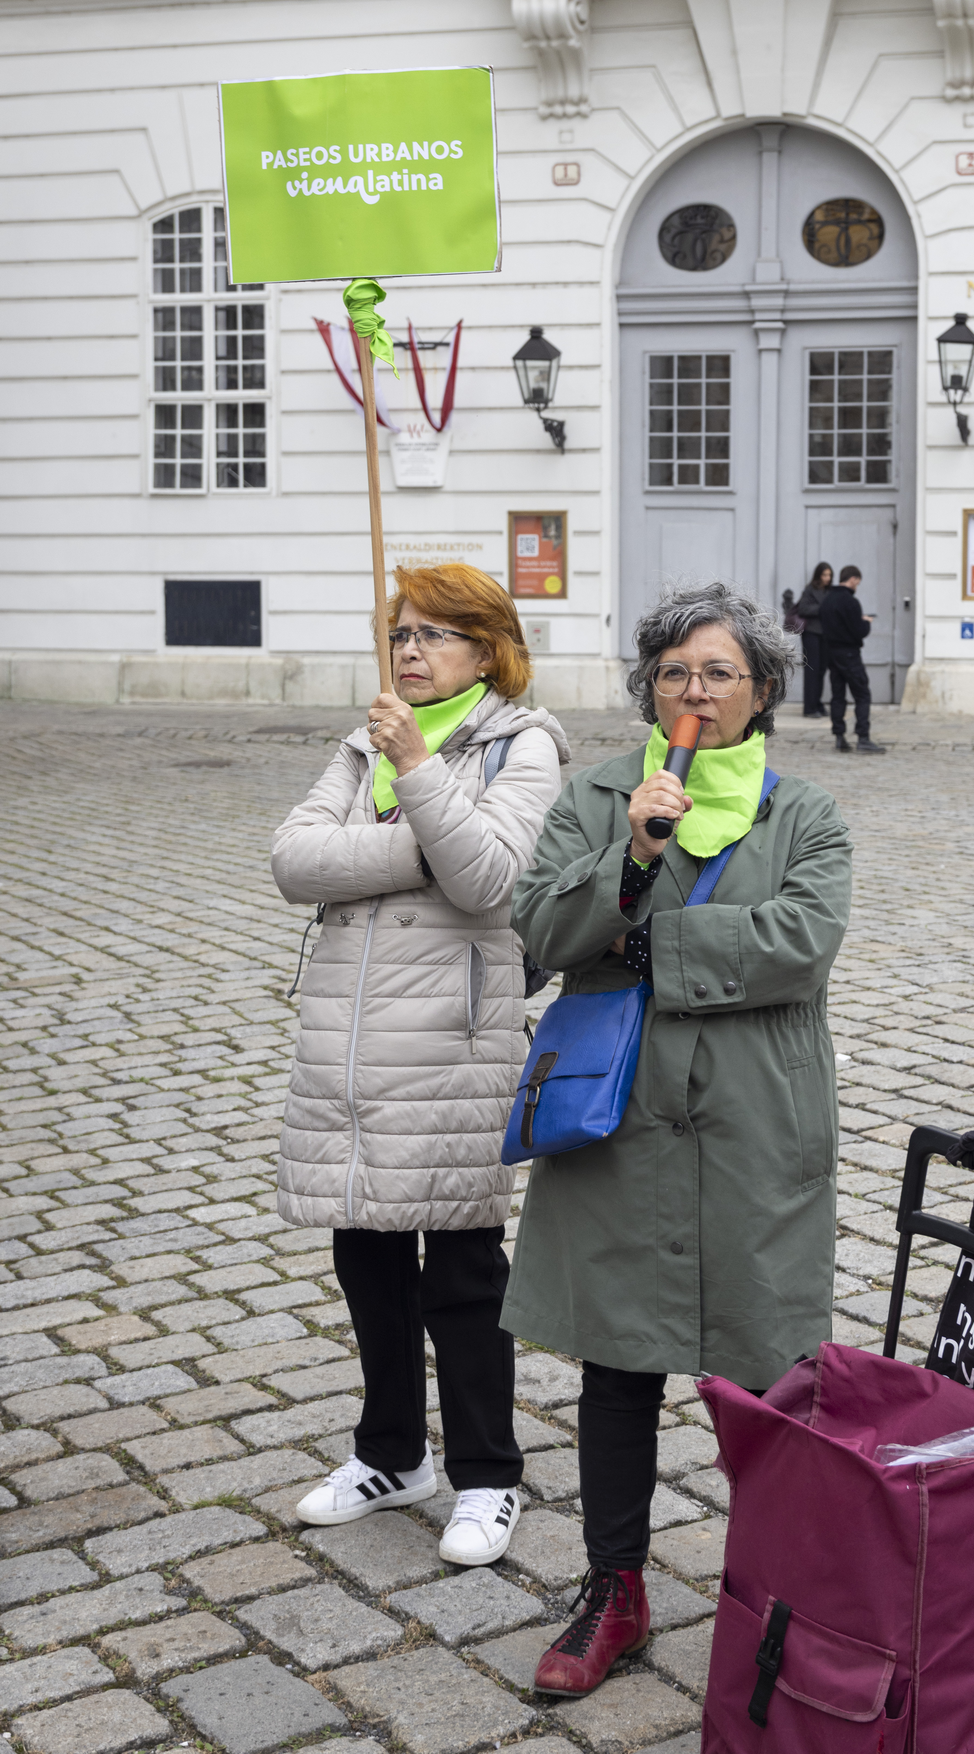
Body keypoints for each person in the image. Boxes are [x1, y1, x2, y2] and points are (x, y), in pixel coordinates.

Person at [503, 580, 853, 1694]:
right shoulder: (602, 793)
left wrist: (652, 945)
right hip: (621, 1117)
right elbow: (541, 929)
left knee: (766, 1372)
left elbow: (801, 939)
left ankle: (782, 1592)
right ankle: (616, 1587)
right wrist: (633, 855)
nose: (694, 690)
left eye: (719, 672)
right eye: (674, 672)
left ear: (760, 693)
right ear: (646, 687)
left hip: (757, 1118)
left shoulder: (805, 814)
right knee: (617, 1360)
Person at [271, 563, 570, 1567]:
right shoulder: (366, 741)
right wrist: (415, 838)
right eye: (402, 632)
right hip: (351, 1044)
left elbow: (490, 876)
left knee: (463, 1271)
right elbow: (295, 860)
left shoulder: (522, 744)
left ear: (485, 650)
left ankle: (487, 1473)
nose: (409, 649)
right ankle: (391, 1453)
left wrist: (418, 780)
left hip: (452, 1041)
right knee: (365, 1260)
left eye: (435, 633)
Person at [821, 565, 886, 755]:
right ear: (853, 579)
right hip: (849, 654)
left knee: (838, 695)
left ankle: (840, 737)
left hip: (832, 654)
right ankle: (863, 737)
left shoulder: (827, 600)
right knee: (862, 694)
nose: (857, 585)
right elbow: (859, 631)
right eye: (857, 582)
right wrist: (865, 622)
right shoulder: (850, 602)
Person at [796, 560, 833, 716]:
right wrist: (823, 608)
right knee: (812, 670)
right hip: (811, 634)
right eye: (825, 575)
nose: (827, 578)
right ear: (819, 575)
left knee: (821, 670)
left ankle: (817, 704)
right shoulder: (810, 589)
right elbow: (803, 608)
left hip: (826, 634)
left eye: (830, 575)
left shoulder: (830, 591)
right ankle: (809, 708)